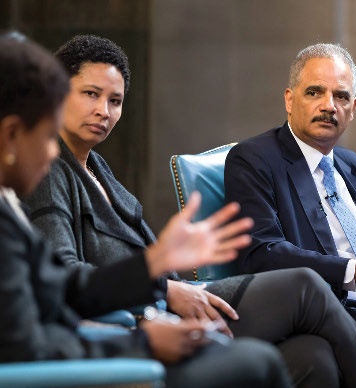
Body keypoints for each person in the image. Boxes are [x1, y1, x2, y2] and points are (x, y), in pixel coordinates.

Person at [24, 34, 356, 387]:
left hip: (179, 297)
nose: (103, 111)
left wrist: (169, 282)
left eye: (115, 101)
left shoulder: (98, 170)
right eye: (90, 94)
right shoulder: (47, 172)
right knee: (305, 285)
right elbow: (64, 279)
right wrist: (165, 290)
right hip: (148, 316)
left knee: (313, 357)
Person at [0, 32, 299, 388]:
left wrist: (154, 263)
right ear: (11, 135)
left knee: (309, 355)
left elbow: (65, 288)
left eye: (115, 100)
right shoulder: (30, 200)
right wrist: (140, 341)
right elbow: (25, 346)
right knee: (263, 358)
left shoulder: (15, 205)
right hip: (94, 366)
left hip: (118, 331)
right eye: (48, 136)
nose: (53, 153)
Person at [224, 42, 356, 343]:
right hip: (328, 317)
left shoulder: (353, 165)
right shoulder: (253, 159)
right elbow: (262, 253)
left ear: (352, 109)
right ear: (290, 100)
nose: (329, 105)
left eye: (341, 96)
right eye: (315, 92)